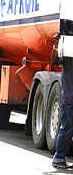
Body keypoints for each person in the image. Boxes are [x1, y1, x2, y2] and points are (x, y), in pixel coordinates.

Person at [51, 32, 73, 169]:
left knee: (66, 128)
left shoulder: (68, 49)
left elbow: (54, 60)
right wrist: (57, 43)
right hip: (69, 97)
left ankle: (59, 158)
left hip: (69, 96)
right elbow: (54, 60)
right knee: (67, 128)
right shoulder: (67, 48)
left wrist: (57, 43)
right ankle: (58, 158)